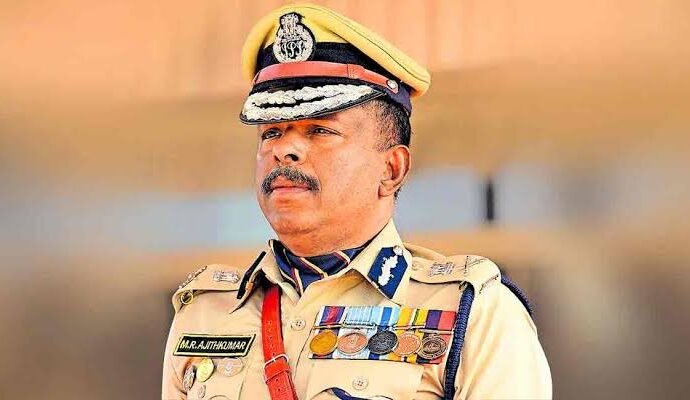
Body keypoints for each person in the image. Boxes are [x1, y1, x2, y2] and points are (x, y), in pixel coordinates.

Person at [162, 4, 551, 400]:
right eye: (271, 133)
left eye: (319, 130)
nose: (284, 150)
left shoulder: (471, 313)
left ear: (392, 169)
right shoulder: (204, 314)